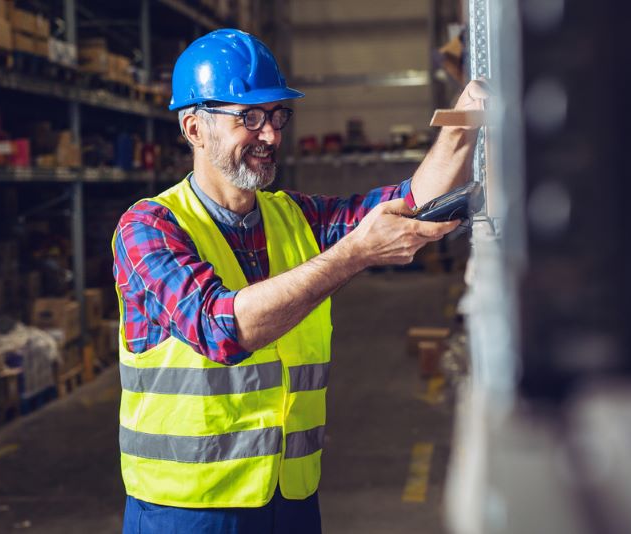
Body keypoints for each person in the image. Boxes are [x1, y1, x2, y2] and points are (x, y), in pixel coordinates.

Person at [112, 28, 486, 534]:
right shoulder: (149, 228)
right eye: (250, 118)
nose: (271, 136)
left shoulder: (294, 217)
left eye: (277, 115)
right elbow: (223, 329)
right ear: (195, 128)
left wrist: (464, 120)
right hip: (188, 510)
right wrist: (353, 254)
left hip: (290, 498)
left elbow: (409, 202)